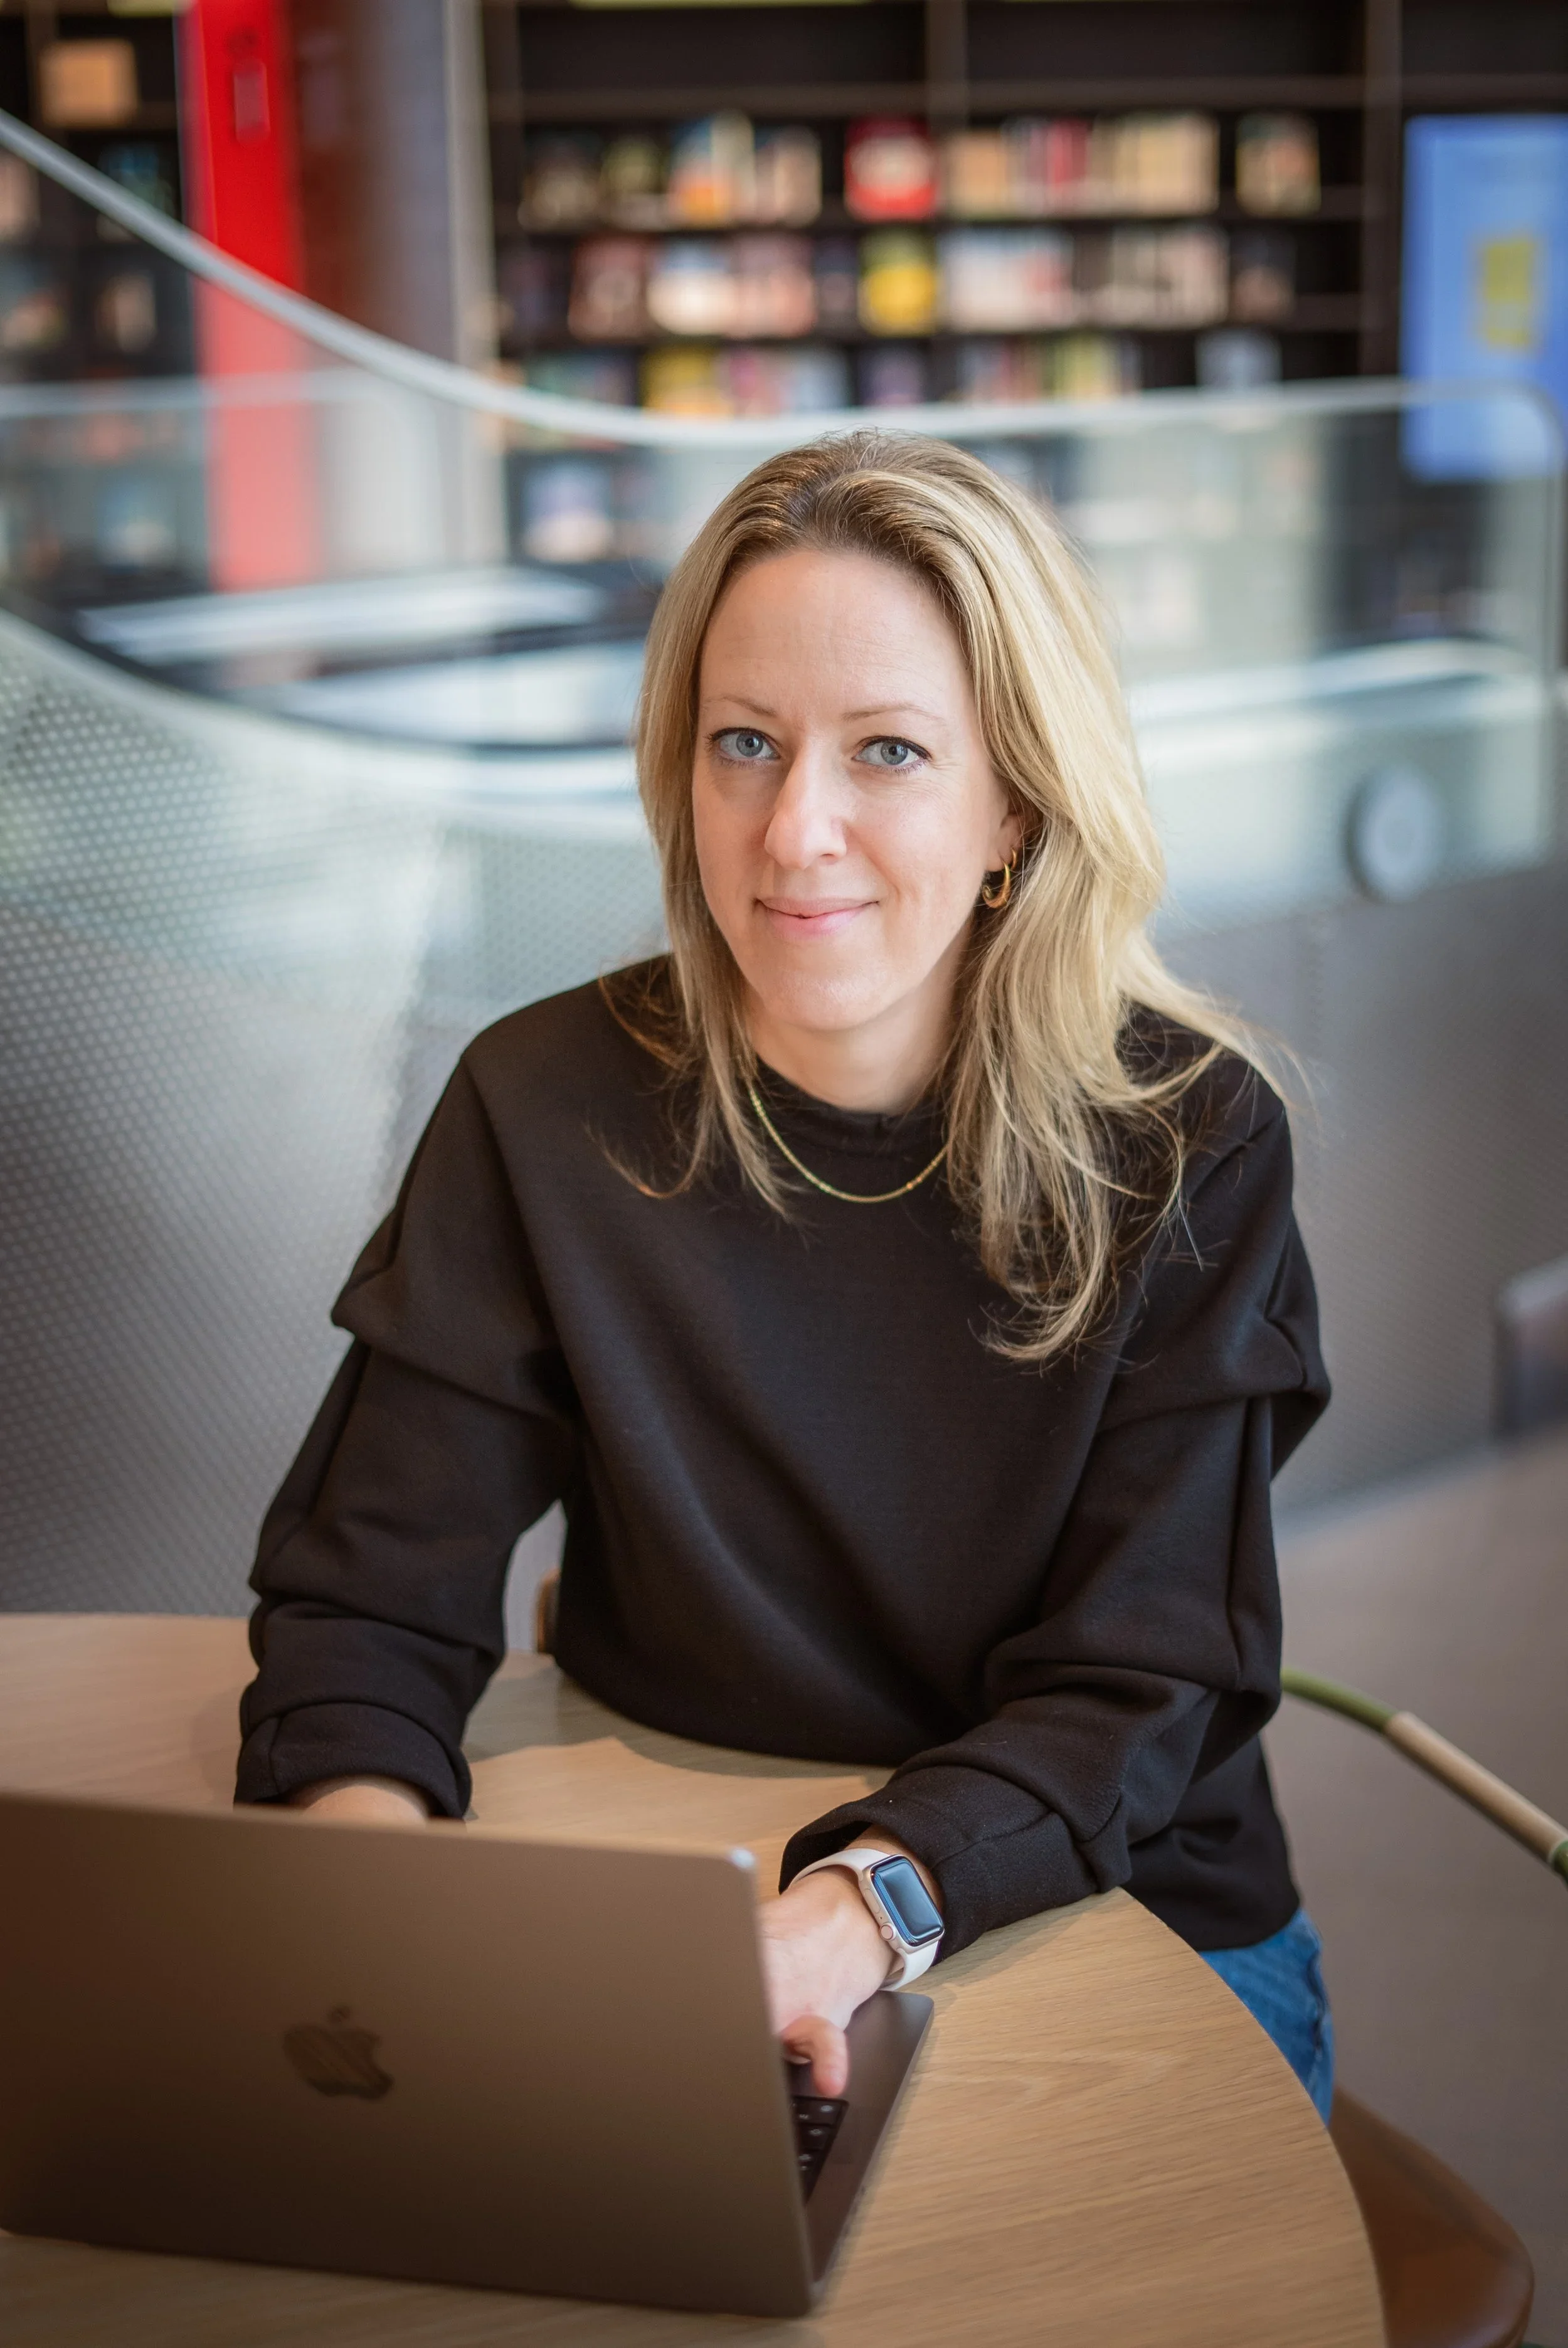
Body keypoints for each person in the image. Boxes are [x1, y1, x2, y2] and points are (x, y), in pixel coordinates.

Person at [238, 430, 1334, 2122]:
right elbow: (373, 1597)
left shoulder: (1191, 1142)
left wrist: (852, 1917)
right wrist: (373, 1895)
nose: (793, 829)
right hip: (683, 1853)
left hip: (1103, 1903)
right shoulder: (538, 1103)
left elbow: (1144, 1683)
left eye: (888, 750)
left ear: (1016, 805)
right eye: (742, 742)